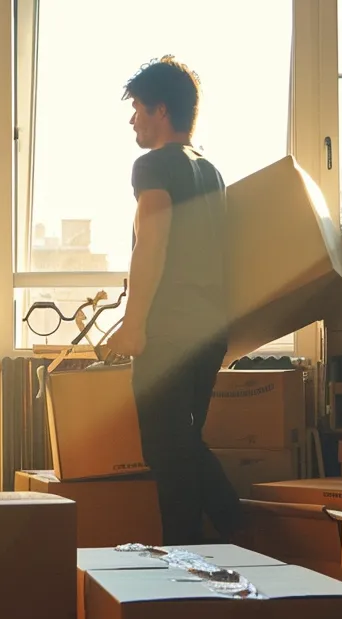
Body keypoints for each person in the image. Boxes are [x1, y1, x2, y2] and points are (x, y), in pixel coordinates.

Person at [104, 56, 241, 545]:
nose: (132, 119)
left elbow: (152, 243)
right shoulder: (210, 170)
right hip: (208, 330)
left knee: (166, 450)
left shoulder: (154, 165)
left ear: (160, 110)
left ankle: (218, 531)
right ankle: (215, 539)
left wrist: (134, 322)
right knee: (181, 445)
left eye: (138, 108)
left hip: (169, 329)